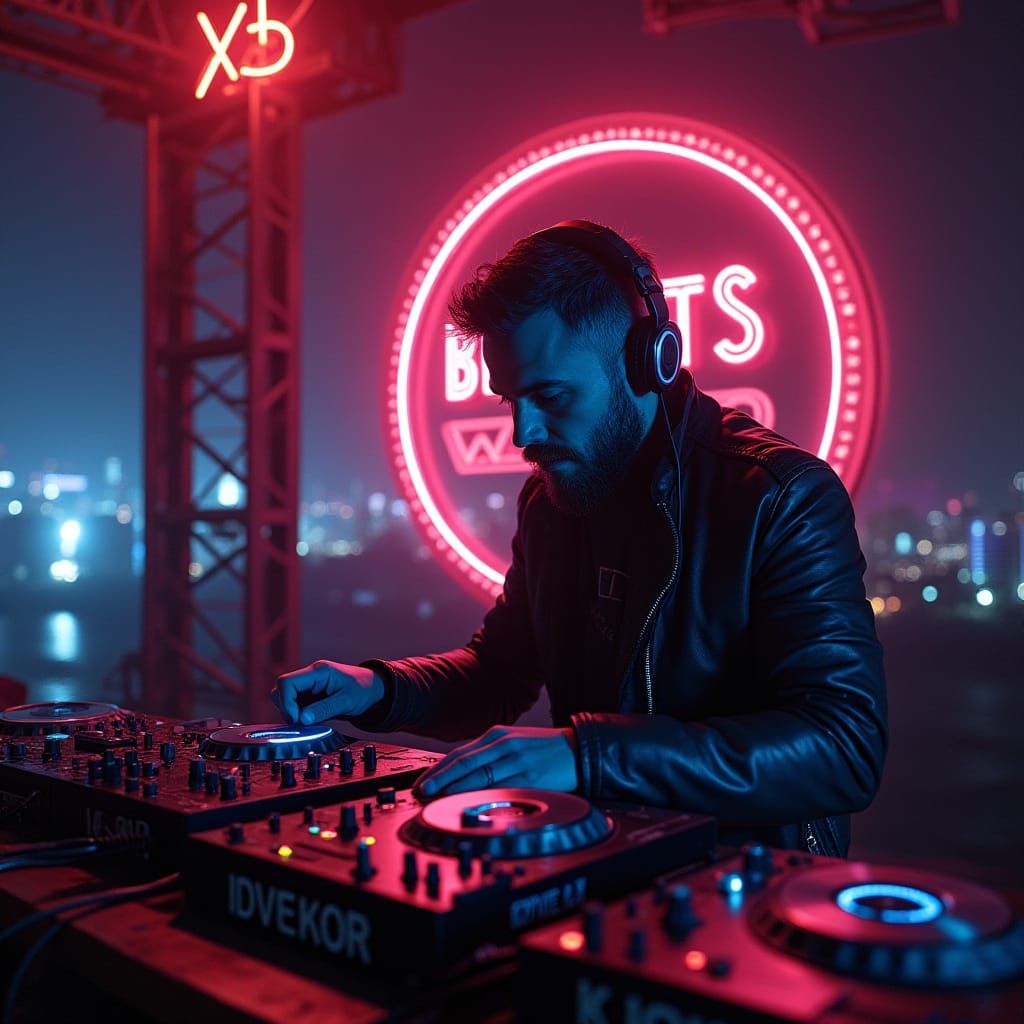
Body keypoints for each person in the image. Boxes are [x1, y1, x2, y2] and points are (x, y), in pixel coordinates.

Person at [275, 219, 887, 857]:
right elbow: (501, 670)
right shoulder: (551, 502)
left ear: (648, 361)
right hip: (606, 865)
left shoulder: (779, 496)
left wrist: (587, 754)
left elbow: (844, 747)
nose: (522, 433)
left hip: (751, 889)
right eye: (509, 400)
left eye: (550, 395)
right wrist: (379, 688)